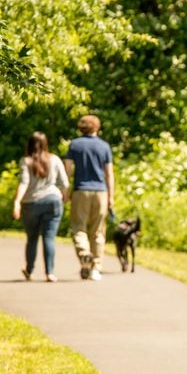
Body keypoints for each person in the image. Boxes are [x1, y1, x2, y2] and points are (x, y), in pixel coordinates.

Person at [13, 131, 69, 282]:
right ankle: (50, 273)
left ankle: (29, 271)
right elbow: (64, 183)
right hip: (53, 201)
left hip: (31, 203)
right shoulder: (55, 159)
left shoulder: (26, 161)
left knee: (32, 239)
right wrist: (65, 198)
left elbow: (24, 182)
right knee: (49, 238)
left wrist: (17, 201)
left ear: (29, 144)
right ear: (46, 144)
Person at [64, 114, 115, 281]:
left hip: (80, 191)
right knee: (98, 231)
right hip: (101, 191)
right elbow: (109, 174)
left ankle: (84, 253)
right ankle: (96, 267)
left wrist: (65, 192)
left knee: (79, 228)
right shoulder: (104, 146)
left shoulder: (75, 145)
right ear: (97, 127)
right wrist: (111, 196)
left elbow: (68, 170)